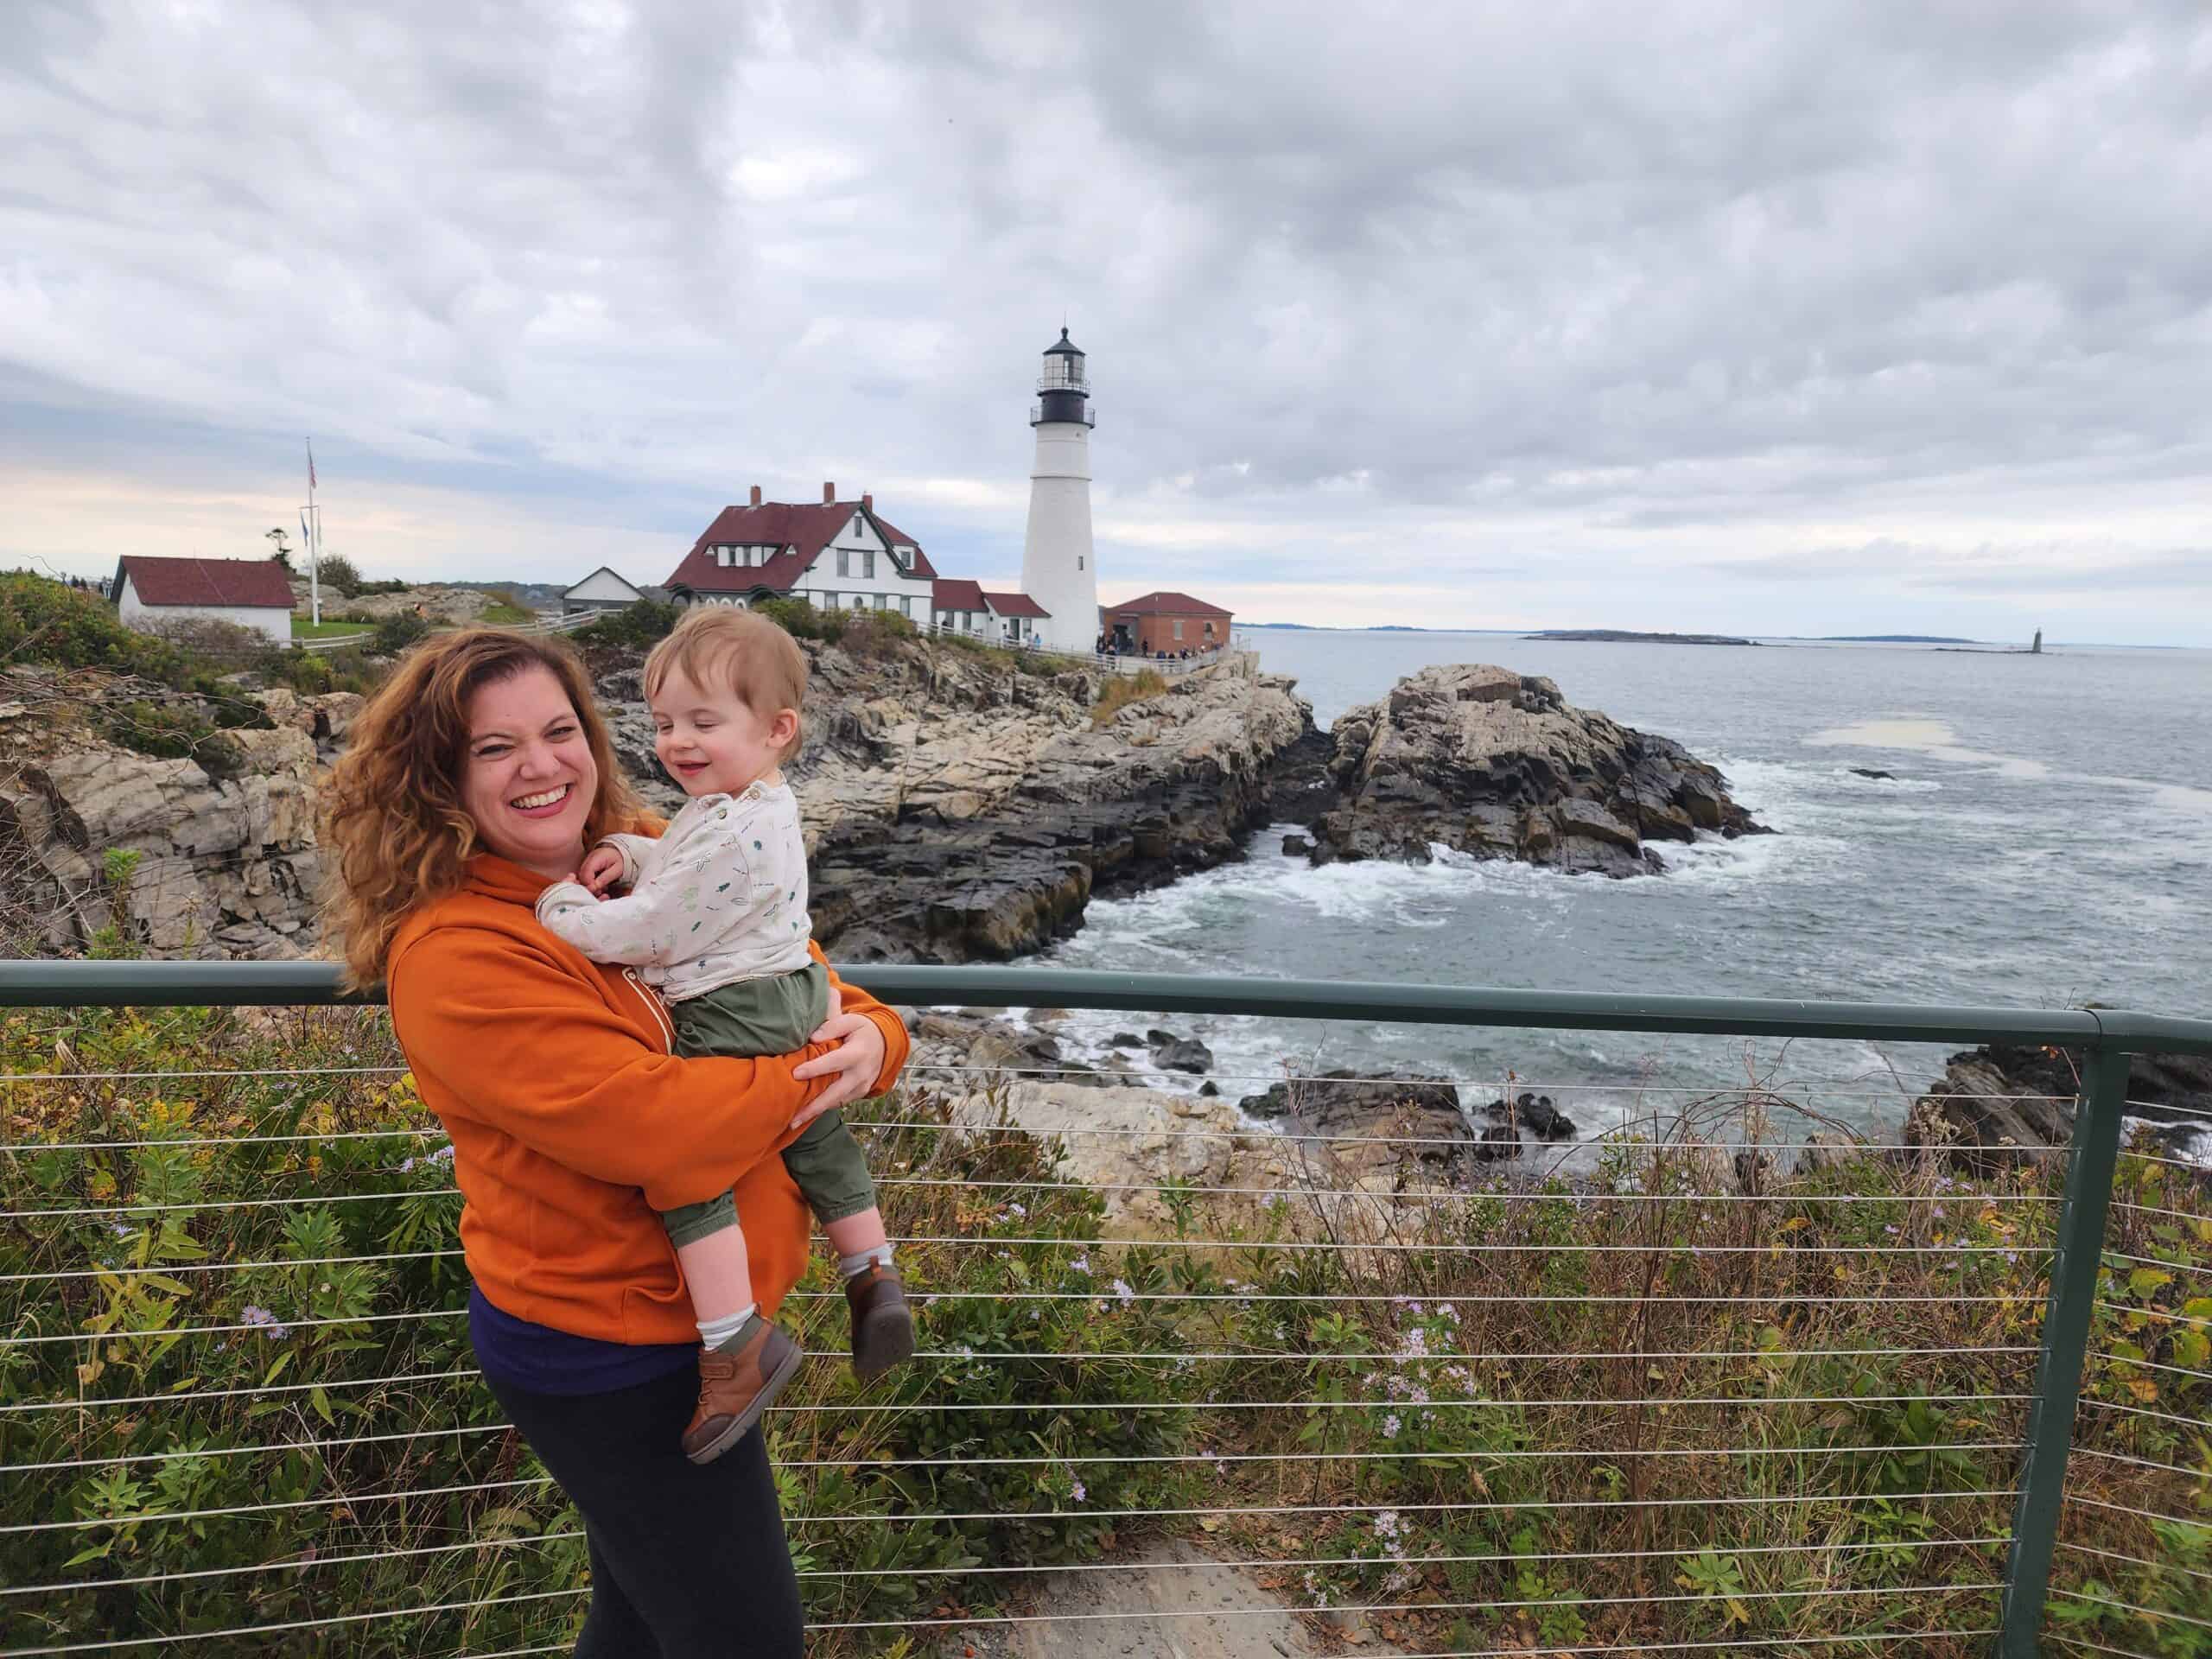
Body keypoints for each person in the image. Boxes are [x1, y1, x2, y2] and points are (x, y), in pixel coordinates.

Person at [321, 627, 906, 1656]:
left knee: (640, 1617)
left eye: (558, 730)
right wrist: (812, 1076)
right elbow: (662, 1128)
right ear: (442, 778)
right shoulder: (459, 952)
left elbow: (788, 970)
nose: (541, 765)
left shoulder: (649, 843)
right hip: (612, 1352)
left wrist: (876, 1036)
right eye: (493, 748)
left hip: (705, 1329)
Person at [534, 607, 912, 1465]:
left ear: (779, 729)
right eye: (665, 722)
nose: (677, 740)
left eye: (704, 721)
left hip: (732, 1006)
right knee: (816, 1126)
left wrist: (564, 910)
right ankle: (872, 1269)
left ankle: (733, 1341)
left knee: (685, 1166)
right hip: (794, 988)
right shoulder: (749, 803)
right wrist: (632, 855)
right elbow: (693, 869)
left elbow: (656, 932)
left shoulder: (729, 827)